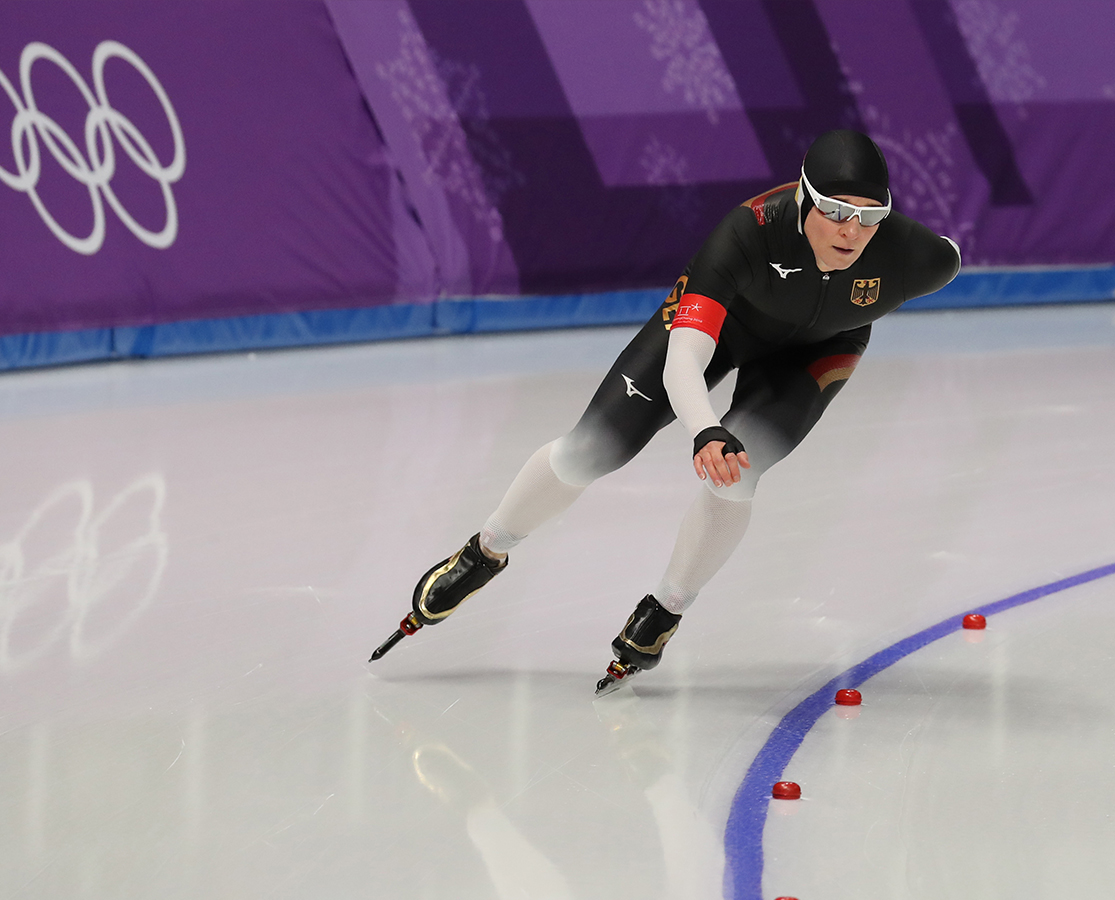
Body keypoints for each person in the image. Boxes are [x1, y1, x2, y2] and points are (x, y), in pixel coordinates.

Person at [370, 129, 961, 694]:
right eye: (834, 210)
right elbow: (685, 357)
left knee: (738, 476)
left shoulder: (918, 258)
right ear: (804, 198)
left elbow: (950, 251)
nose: (851, 230)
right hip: (721, 329)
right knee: (589, 451)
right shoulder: (748, 232)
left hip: (818, 350)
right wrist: (705, 428)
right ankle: (484, 551)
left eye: (869, 215)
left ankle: (665, 609)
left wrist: (723, 443)